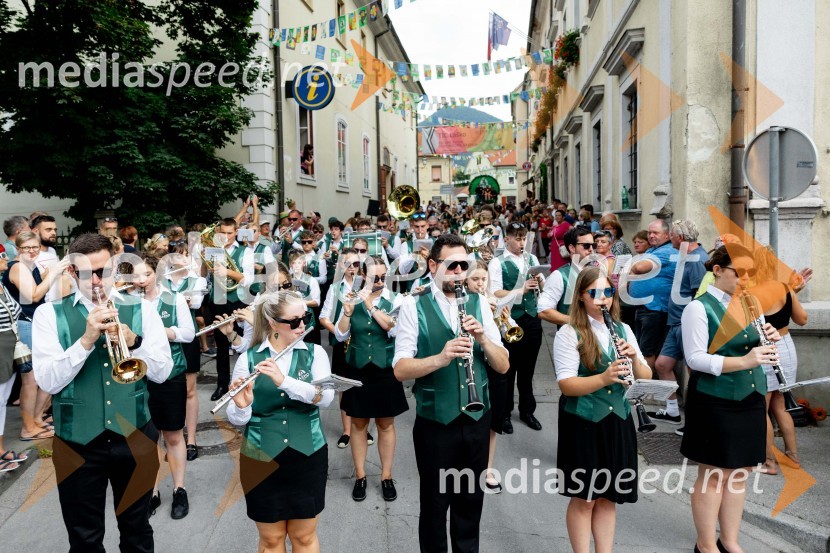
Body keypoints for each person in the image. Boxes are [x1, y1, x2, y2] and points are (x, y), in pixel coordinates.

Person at [32, 233, 173, 552]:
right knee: (84, 538)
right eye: (88, 273)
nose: (98, 280)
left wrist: (135, 341)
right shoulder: (48, 315)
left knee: (137, 530)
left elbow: (163, 372)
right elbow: (48, 382)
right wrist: (85, 340)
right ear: (71, 273)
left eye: (105, 270)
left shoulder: (142, 309)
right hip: (76, 443)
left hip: (135, 435)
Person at [393, 234, 509, 553]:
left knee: (470, 507)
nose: (459, 272)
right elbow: (401, 369)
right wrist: (441, 358)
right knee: (434, 507)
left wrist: (484, 338)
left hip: (476, 421)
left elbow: (502, 365)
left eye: (464, 265)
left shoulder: (478, 303)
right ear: (433, 266)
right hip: (435, 423)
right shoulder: (412, 306)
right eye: (452, 265)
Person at [680, 245, 780, 553]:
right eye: (741, 273)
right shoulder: (698, 308)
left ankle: (730, 540)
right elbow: (695, 359)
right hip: (715, 399)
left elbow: (752, 343)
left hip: (749, 396)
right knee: (713, 475)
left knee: (740, 473)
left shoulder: (750, 304)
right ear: (718, 270)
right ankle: (706, 544)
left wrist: (770, 335)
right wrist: (746, 361)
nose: (746, 280)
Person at [553, 266, 651, 553]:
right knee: (585, 498)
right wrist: (604, 378)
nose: (602, 298)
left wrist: (633, 359)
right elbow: (567, 385)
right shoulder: (569, 333)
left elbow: (644, 375)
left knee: (610, 496)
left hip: (618, 420)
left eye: (607, 292)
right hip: (583, 421)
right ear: (581, 297)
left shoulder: (624, 330)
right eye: (594, 293)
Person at [226, 291, 333, 553]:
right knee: (271, 540)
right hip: (259, 456)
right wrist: (242, 405)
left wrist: (283, 380)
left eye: (305, 318)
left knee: (304, 537)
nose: (303, 326)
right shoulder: (248, 358)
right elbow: (237, 417)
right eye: (293, 321)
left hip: (308, 453)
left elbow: (326, 398)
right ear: (273, 324)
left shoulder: (315, 353)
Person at [334, 256, 407, 502]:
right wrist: (346, 312)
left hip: (385, 370)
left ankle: (386, 476)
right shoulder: (351, 297)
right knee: (358, 425)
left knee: (386, 425)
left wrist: (371, 304)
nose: (379, 281)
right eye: (375, 277)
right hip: (358, 369)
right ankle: (361, 476)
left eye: (383, 277)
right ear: (363, 276)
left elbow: (393, 328)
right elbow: (340, 335)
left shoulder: (394, 299)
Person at [4, 231, 70, 440]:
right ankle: (28, 427)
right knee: (31, 379)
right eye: (26, 248)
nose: (32, 251)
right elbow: (33, 296)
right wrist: (53, 273)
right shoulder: (17, 267)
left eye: (35, 247)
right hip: (26, 324)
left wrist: (49, 274)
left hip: (32, 322)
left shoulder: (27, 266)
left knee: (39, 376)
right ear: (18, 248)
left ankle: (37, 420)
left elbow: (34, 287)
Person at [752, 246, 808, 475]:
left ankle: (769, 462)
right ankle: (793, 456)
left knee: (761, 408)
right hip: (786, 345)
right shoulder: (784, 288)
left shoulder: (751, 292)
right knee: (781, 405)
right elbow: (802, 319)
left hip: (765, 349)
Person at [648, 220, 708, 428]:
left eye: (671, 235)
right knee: (662, 365)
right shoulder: (686, 256)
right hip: (676, 323)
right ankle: (672, 411)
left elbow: (700, 296)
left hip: (687, 325)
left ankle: (696, 424)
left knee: (694, 373)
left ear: (680, 238)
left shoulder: (696, 260)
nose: (670, 238)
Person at [489, 222, 544, 431]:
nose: (522, 242)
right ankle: (504, 414)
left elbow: (543, 288)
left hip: (532, 319)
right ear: (508, 238)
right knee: (508, 369)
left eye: (524, 238)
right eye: (518, 238)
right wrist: (521, 290)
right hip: (511, 319)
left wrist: (540, 281)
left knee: (528, 370)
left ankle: (527, 411)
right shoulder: (498, 262)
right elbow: (495, 293)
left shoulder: (532, 259)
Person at [160, 242, 208, 462]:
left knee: (189, 389)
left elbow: (194, 302)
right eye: (176, 255)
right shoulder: (162, 279)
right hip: (163, 337)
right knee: (163, 387)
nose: (180, 259)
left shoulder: (197, 279)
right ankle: (168, 437)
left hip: (187, 337)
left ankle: (191, 439)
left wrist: (178, 301)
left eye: (184, 255)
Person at [466, 258, 510, 493]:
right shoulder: (465, 302)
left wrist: (500, 316)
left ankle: (489, 467)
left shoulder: (493, 301)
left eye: (483, 279)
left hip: (495, 365)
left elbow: (503, 337)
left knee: (493, 421)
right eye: (475, 279)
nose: (480, 284)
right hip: (474, 365)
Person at [319, 248, 366, 448]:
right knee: (344, 387)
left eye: (356, 264)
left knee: (364, 385)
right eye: (348, 264)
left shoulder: (367, 286)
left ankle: (362, 427)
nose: (353, 268)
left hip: (363, 344)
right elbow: (323, 317)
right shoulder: (335, 288)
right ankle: (347, 431)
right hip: (343, 344)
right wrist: (340, 332)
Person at [205, 218, 255, 402]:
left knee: (245, 342)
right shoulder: (213, 250)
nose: (225, 237)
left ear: (236, 232)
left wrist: (227, 272)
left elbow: (249, 279)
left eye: (229, 233)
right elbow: (205, 276)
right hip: (218, 300)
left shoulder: (246, 251)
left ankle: (248, 381)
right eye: (222, 233)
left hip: (240, 300)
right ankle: (222, 384)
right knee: (221, 344)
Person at [627, 219, 677, 371]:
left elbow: (639, 267)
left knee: (647, 350)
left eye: (656, 232)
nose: (651, 236)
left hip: (655, 308)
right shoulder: (652, 250)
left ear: (667, 235)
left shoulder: (667, 251)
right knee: (641, 347)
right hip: (644, 307)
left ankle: (646, 386)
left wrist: (631, 268)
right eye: (649, 232)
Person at [0, 245, 29, 473]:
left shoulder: (1, 284)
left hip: (10, 343)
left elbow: (15, 309)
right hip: (1, 345)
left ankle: (0, 450)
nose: (6, 259)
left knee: (2, 400)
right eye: (2, 256)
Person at [538, 227, 597, 328]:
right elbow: (543, 310)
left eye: (593, 245)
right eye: (586, 246)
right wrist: (576, 321)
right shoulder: (559, 275)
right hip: (572, 338)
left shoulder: (597, 270)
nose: (591, 249)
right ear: (572, 248)